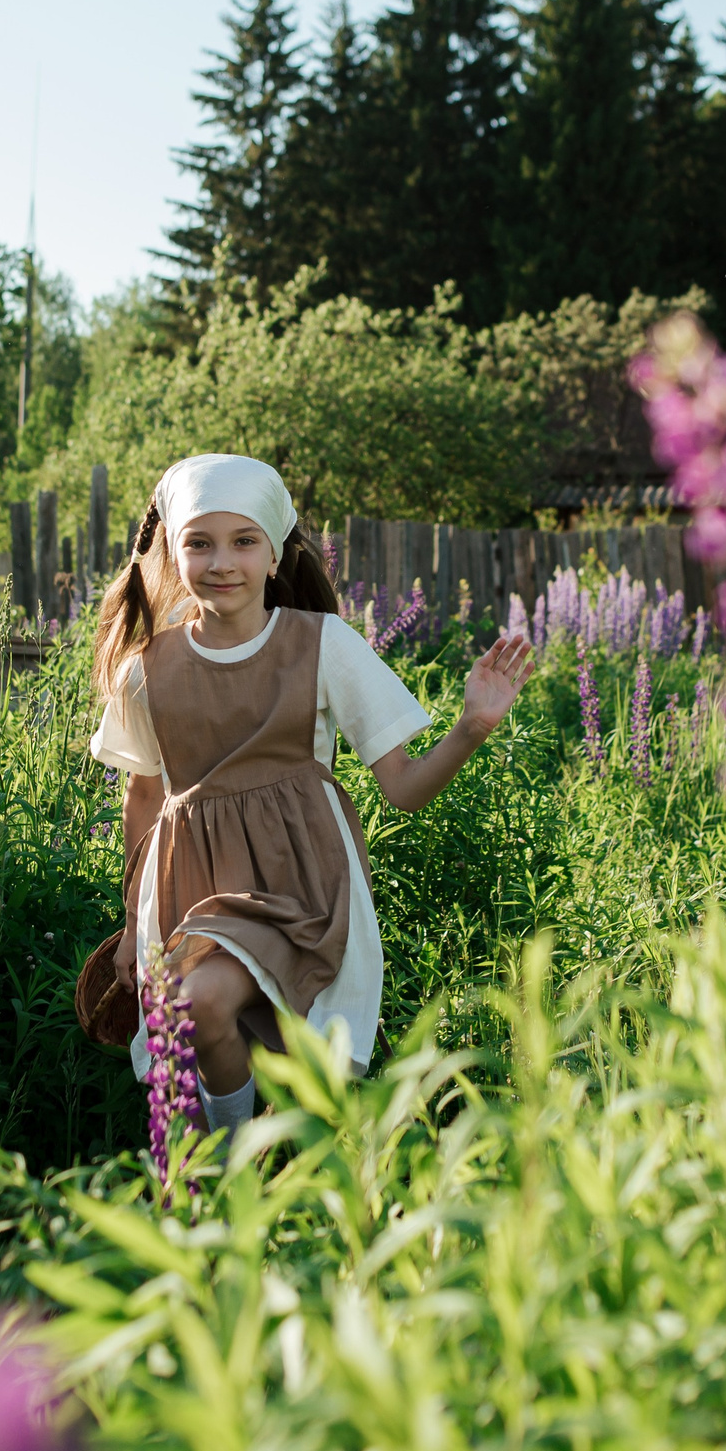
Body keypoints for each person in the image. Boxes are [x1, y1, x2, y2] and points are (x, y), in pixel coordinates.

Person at [87, 453, 532, 1134]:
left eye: (243, 541)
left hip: (303, 888)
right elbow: (143, 799)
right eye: (199, 543)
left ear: (274, 555)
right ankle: (230, 1171)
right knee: (195, 1017)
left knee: (243, 1036)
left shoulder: (323, 646)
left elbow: (404, 788)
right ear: (174, 557)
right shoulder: (147, 671)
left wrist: (471, 726)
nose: (222, 561)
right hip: (190, 890)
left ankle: (239, 1168)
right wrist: (128, 919)